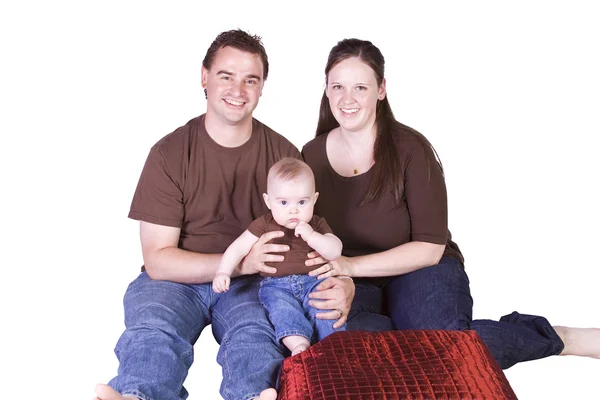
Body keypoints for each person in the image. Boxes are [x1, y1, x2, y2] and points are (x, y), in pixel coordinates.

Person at [301, 38, 600, 370]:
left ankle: (558, 338)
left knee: (445, 345)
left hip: (421, 269)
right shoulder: (310, 156)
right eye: (338, 86)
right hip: (353, 279)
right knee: (346, 346)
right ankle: (405, 338)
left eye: (360, 87)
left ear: (381, 90)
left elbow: (429, 248)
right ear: (326, 90)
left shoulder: (411, 149)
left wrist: (351, 267)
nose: (348, 98)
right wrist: (341, 278)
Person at [94, 30, 355, 400]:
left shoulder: (283, 155)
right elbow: (159, 262)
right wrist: (242, 263)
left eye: (251, 79)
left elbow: (311, 242)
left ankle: (254, 396)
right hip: (176, 282)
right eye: (225, 76)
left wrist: (345, 281)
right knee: (155, 329)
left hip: (256, 286)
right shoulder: (169, 153)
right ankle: (136, 396)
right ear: (204, 77)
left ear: (262, 87)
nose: (238, 89)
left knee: (255, 338)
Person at [213, 157, 345, 356]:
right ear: (268, 201)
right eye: (283, 202)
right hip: (277, 285)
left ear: (315, 199)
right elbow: (237, 248)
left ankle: (333, 349)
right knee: (282, 311)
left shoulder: (316, 224)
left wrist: (312, 236)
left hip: (314, 282)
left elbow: (335, 250)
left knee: (326, 309)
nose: (293, 210)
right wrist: (224, 271)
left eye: (302, 202)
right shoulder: (264, 224)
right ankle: (298, 344)